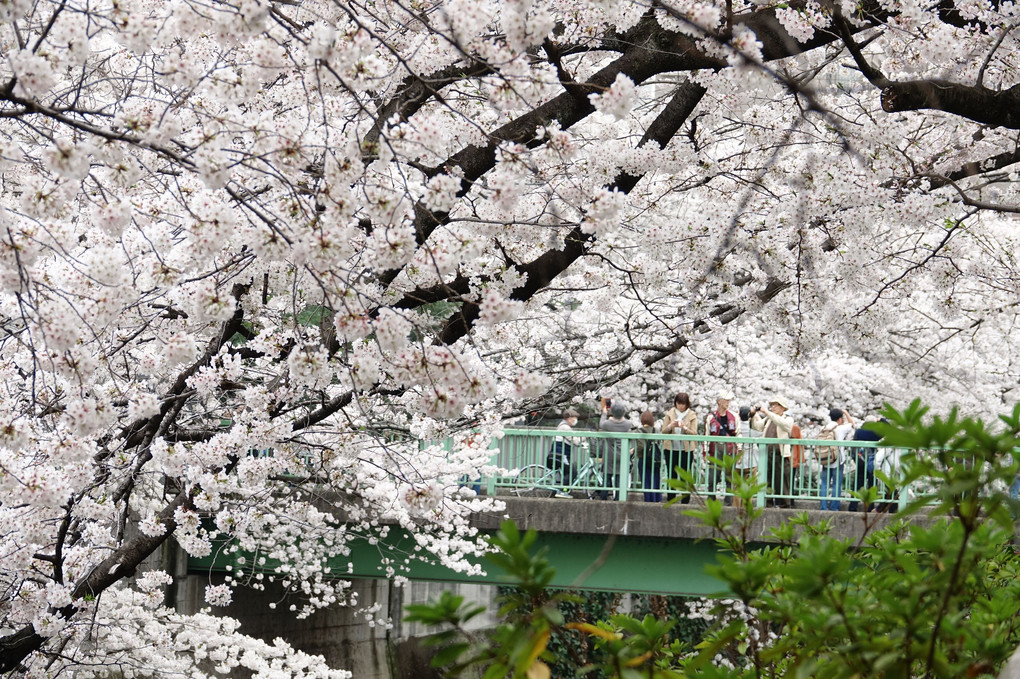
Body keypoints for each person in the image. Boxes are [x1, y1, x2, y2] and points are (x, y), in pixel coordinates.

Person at [751, 398, 794, 508]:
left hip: (780, 454)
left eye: (776, 405)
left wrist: (767, 412)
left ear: (782, 408)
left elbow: (785, 425)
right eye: (772, 405)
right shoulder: (768, 419)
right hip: (767, 454)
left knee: (782, 479)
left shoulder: (787, 418)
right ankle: (768, 502)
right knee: (766, 479)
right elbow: (757, 426)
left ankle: (785, 504)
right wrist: (752, 415)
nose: (773, 407)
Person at [662, 392, 697, 503]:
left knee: (685, 476)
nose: (681, 406)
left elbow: (694, 433)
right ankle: (670, 498)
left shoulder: (691, 415)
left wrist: (684, 428)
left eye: (683, 404)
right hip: (671, 449)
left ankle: (685, 500)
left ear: (687, 404)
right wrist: (671, 426)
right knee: (671, 475)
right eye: (679, 403)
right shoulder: (670, 414)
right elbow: (663, 431)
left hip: (686, 450)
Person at [817, 408, 853, 510]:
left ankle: (823, 507)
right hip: (837, 460)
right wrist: (846, 412)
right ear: (840, 419)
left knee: (824, 484)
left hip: (825, 459)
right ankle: (834, 507)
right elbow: (852, 424)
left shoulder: (824, 427)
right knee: (837, 484)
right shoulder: (840, 428)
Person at [705, 391, 738, 503]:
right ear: (719, 401)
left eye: (729, 400)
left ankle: (728, 501)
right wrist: (705, 452)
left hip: (730, 448)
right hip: (715, 449)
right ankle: (711, 499)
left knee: (730, 477)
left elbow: (738, 434)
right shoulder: (711, 418)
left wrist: (740, 449)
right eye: (726, 400)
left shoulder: (733, 416)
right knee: (712, 477)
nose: (728, 403)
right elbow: (707, 435)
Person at [599, 401, 633, 500]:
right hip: (622, 454)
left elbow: (601, 424)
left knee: (607, 479)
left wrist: (605, 413)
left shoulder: (608, 424)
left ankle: (603, 498)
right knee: (619, 479)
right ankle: (618, 499)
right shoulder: (628, 424)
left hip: (609, 454)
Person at [848, 415, 881, 512]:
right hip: (872, 462)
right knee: (872, 485)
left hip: (860, 461)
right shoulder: (876, 432)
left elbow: (854, 446)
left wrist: (855, 458)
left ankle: (853, 506)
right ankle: (870, 507)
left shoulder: (859, 431)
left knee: (858, 484)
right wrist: (881, 420)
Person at [735, 405, 763, 509]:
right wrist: (756, 415)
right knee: (750, 486)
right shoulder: (752, 428)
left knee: (737, 487)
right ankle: (747, 507)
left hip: (739, 460)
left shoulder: (737, 427)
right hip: (752, 461)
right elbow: (761, 429)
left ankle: (736, 507)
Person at [547, 408, 580, 492]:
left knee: (568, 473)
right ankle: (562, 492)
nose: (576, 420)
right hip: (560, 455)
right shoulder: (565, 427)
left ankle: (565, 490)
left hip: (558, 455)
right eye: (574, 418)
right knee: (573, 472)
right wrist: (585, 437)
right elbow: (575, 441)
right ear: (569, 418)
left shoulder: (563, 425)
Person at [636, 410, 662, 502]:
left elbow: (639, 446)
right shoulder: (657, 431)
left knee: (646, 481)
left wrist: (635, 451)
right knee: (655, 480)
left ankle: (648, 500)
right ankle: (656, 499)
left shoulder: (639, 431)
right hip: (655, 459)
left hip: (643, 459)